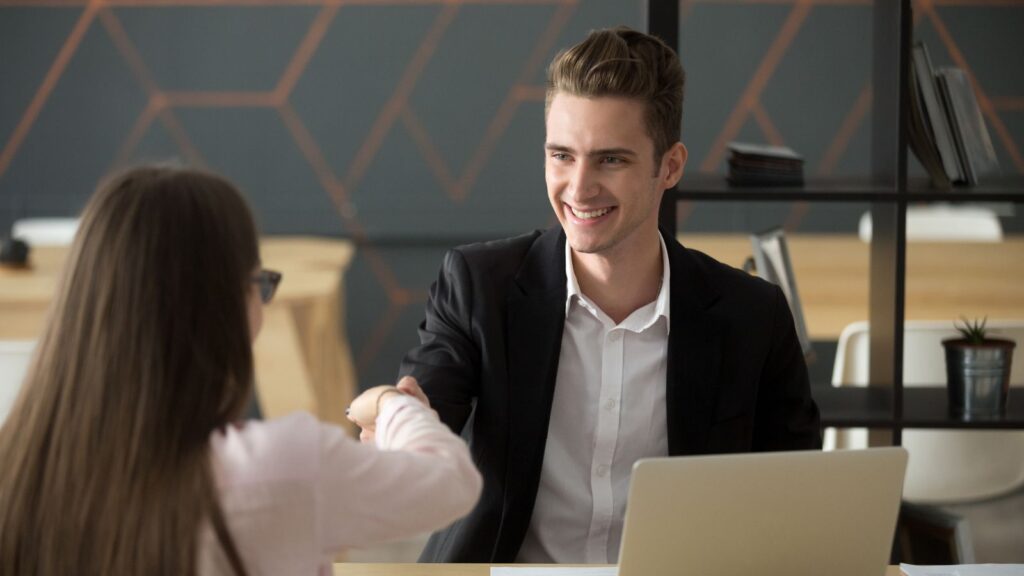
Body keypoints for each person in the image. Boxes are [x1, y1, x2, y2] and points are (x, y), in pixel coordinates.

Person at [393, 27, 822, 564]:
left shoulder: (752, 317)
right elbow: (422, 411)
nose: (578, 188)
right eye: (561, 156)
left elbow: (797, 502)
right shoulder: (480, 285)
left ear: (669, 166)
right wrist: (397, 415)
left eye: (610, 160)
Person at [0, 166, 481, 575]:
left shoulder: (19, 471)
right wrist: (391, 403)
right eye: (259, 283)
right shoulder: (282, 467)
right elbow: (450, 480)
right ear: (225, 304)